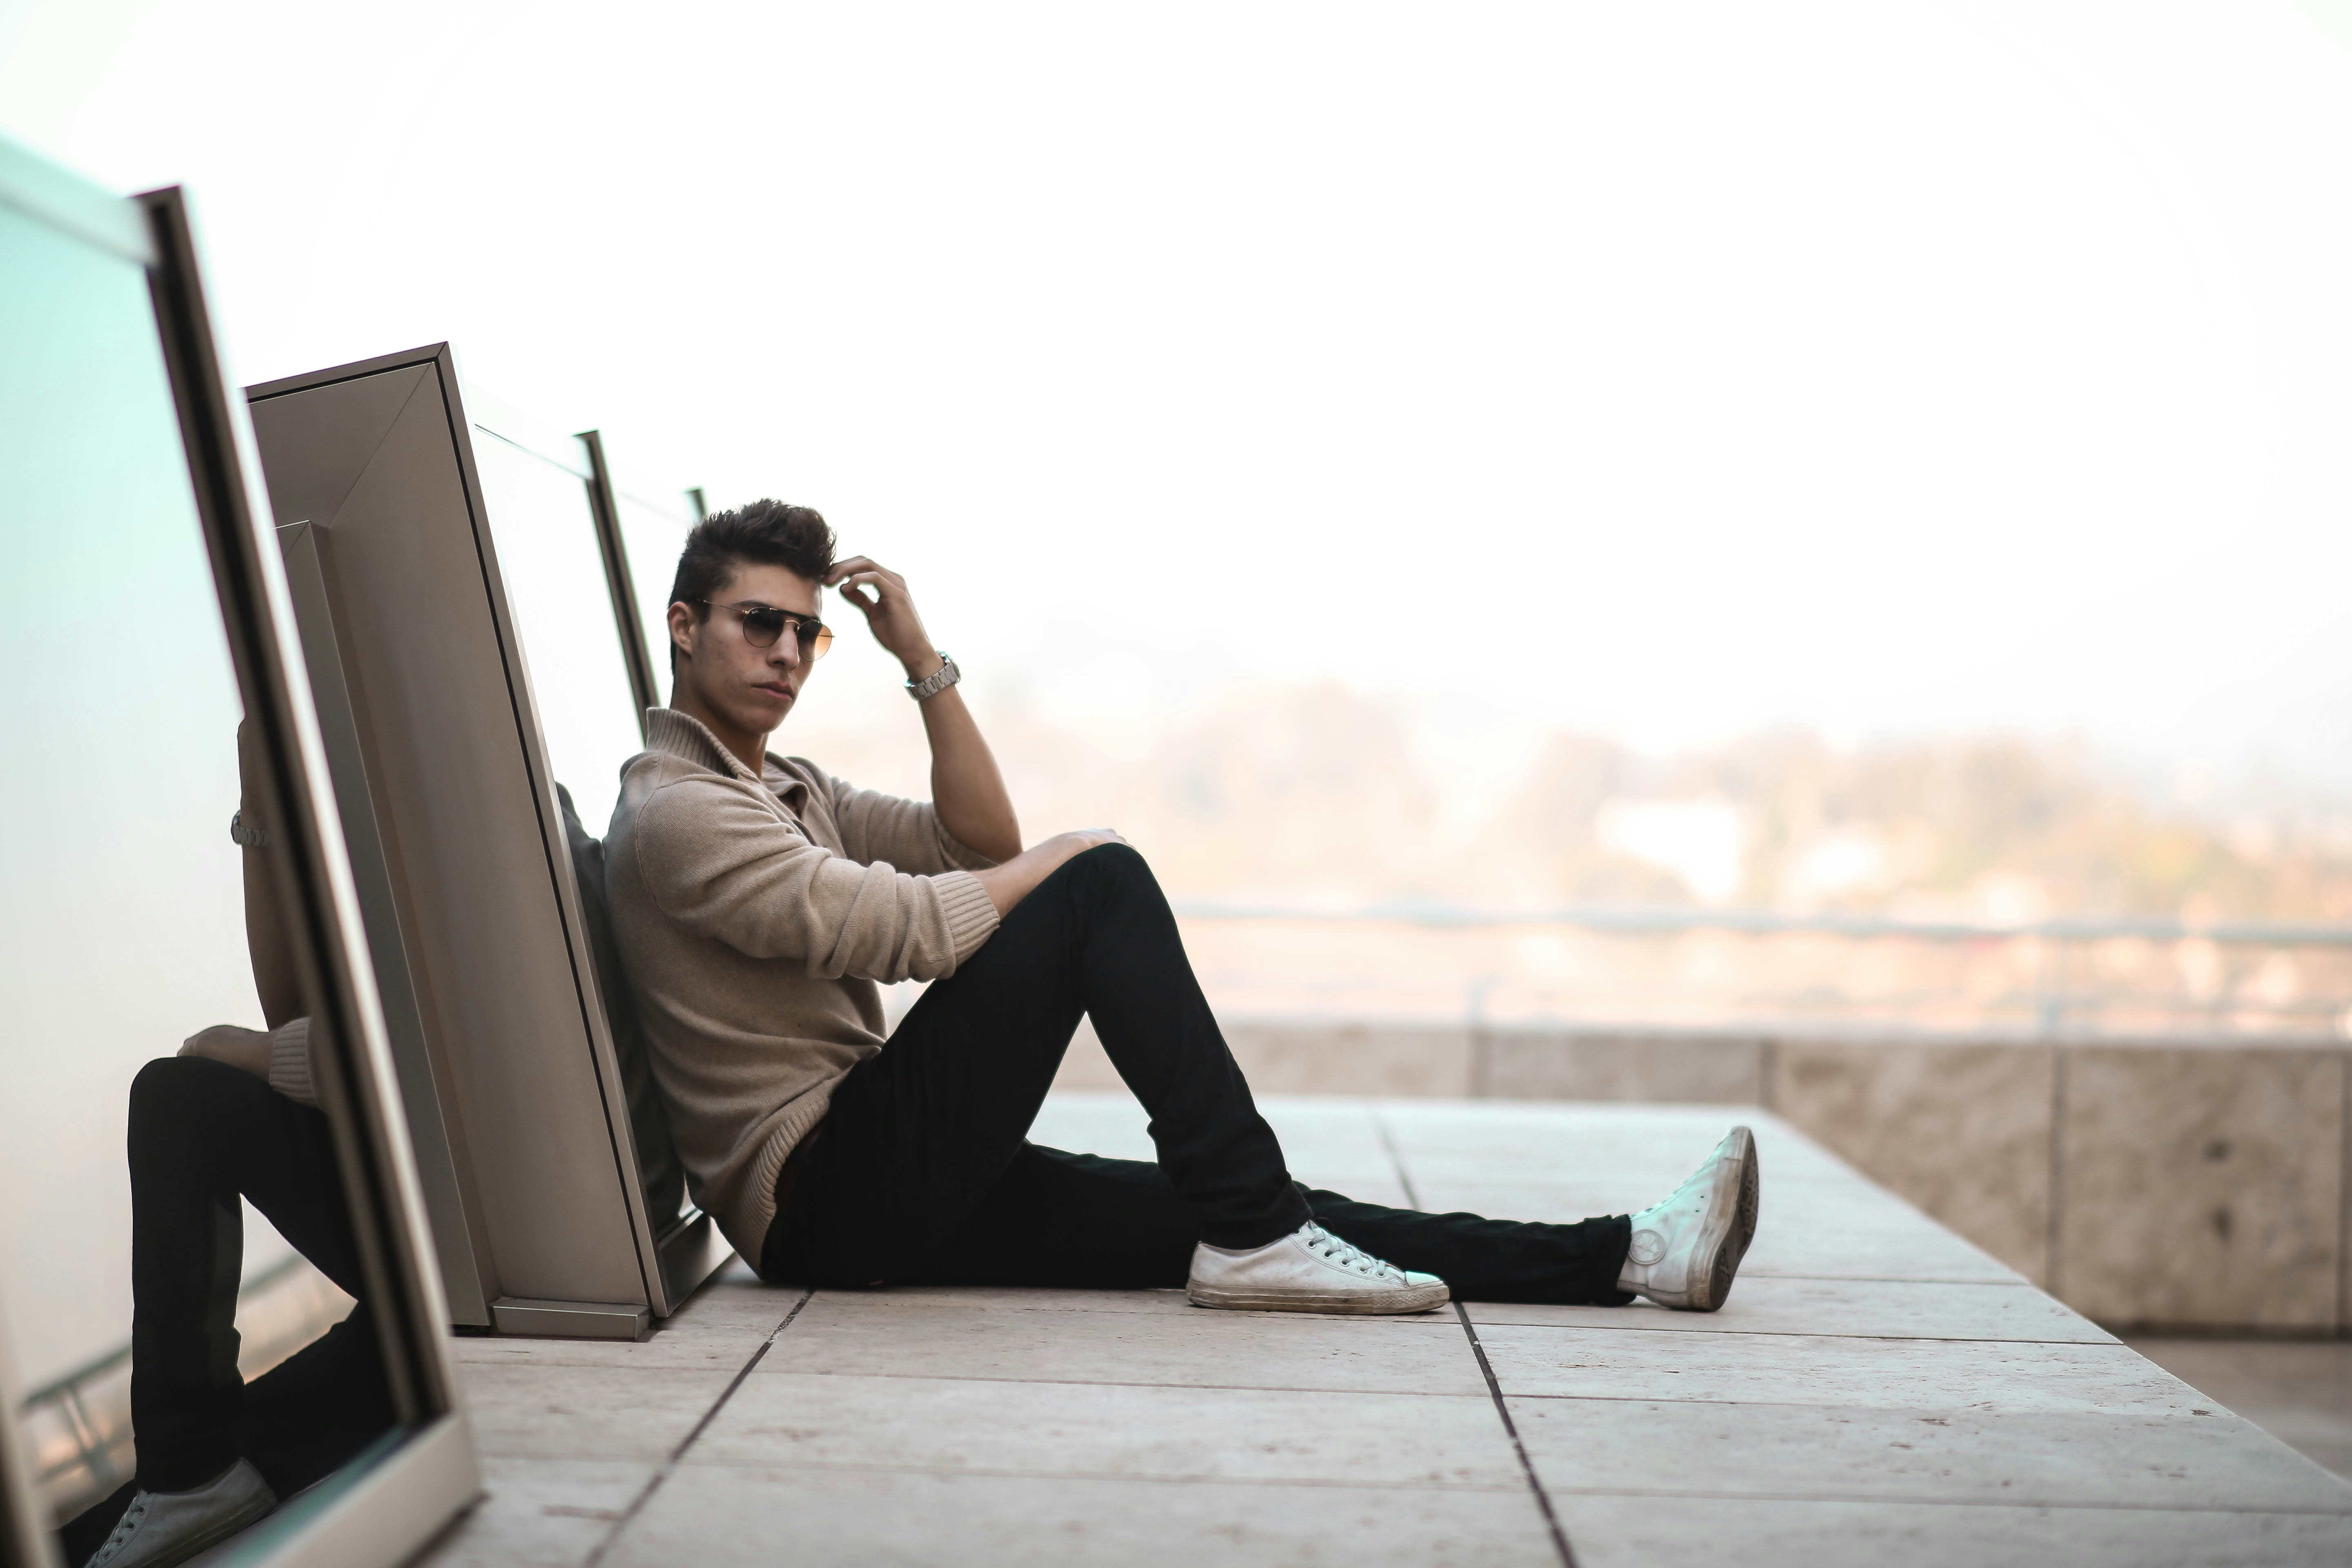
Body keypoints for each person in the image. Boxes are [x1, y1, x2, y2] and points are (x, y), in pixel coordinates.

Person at [604, 501, 1760, 1315]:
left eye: (806, 631)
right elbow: (901, 931)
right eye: (761, 622)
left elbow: (972, 843)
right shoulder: (679, 811)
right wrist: (1073, 859)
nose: (791, 651)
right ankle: (1258, 1233)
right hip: (819, 1194)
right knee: (1097, 881)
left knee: (1238, 1207)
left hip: (882, 1162)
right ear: (684, 624)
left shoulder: (785, 786)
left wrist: (922, 662)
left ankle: (1631, 1256)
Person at [74, 725, 394, 1568]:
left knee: (179, 1097)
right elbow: (295, 1009)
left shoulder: (448, 813)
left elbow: (422, 1057)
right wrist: (258, 811)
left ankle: (185, 1463)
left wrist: (249, 1053)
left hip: (469, 1269)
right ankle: (186, 1466)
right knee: (118, 1517)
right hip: (417, 1288)